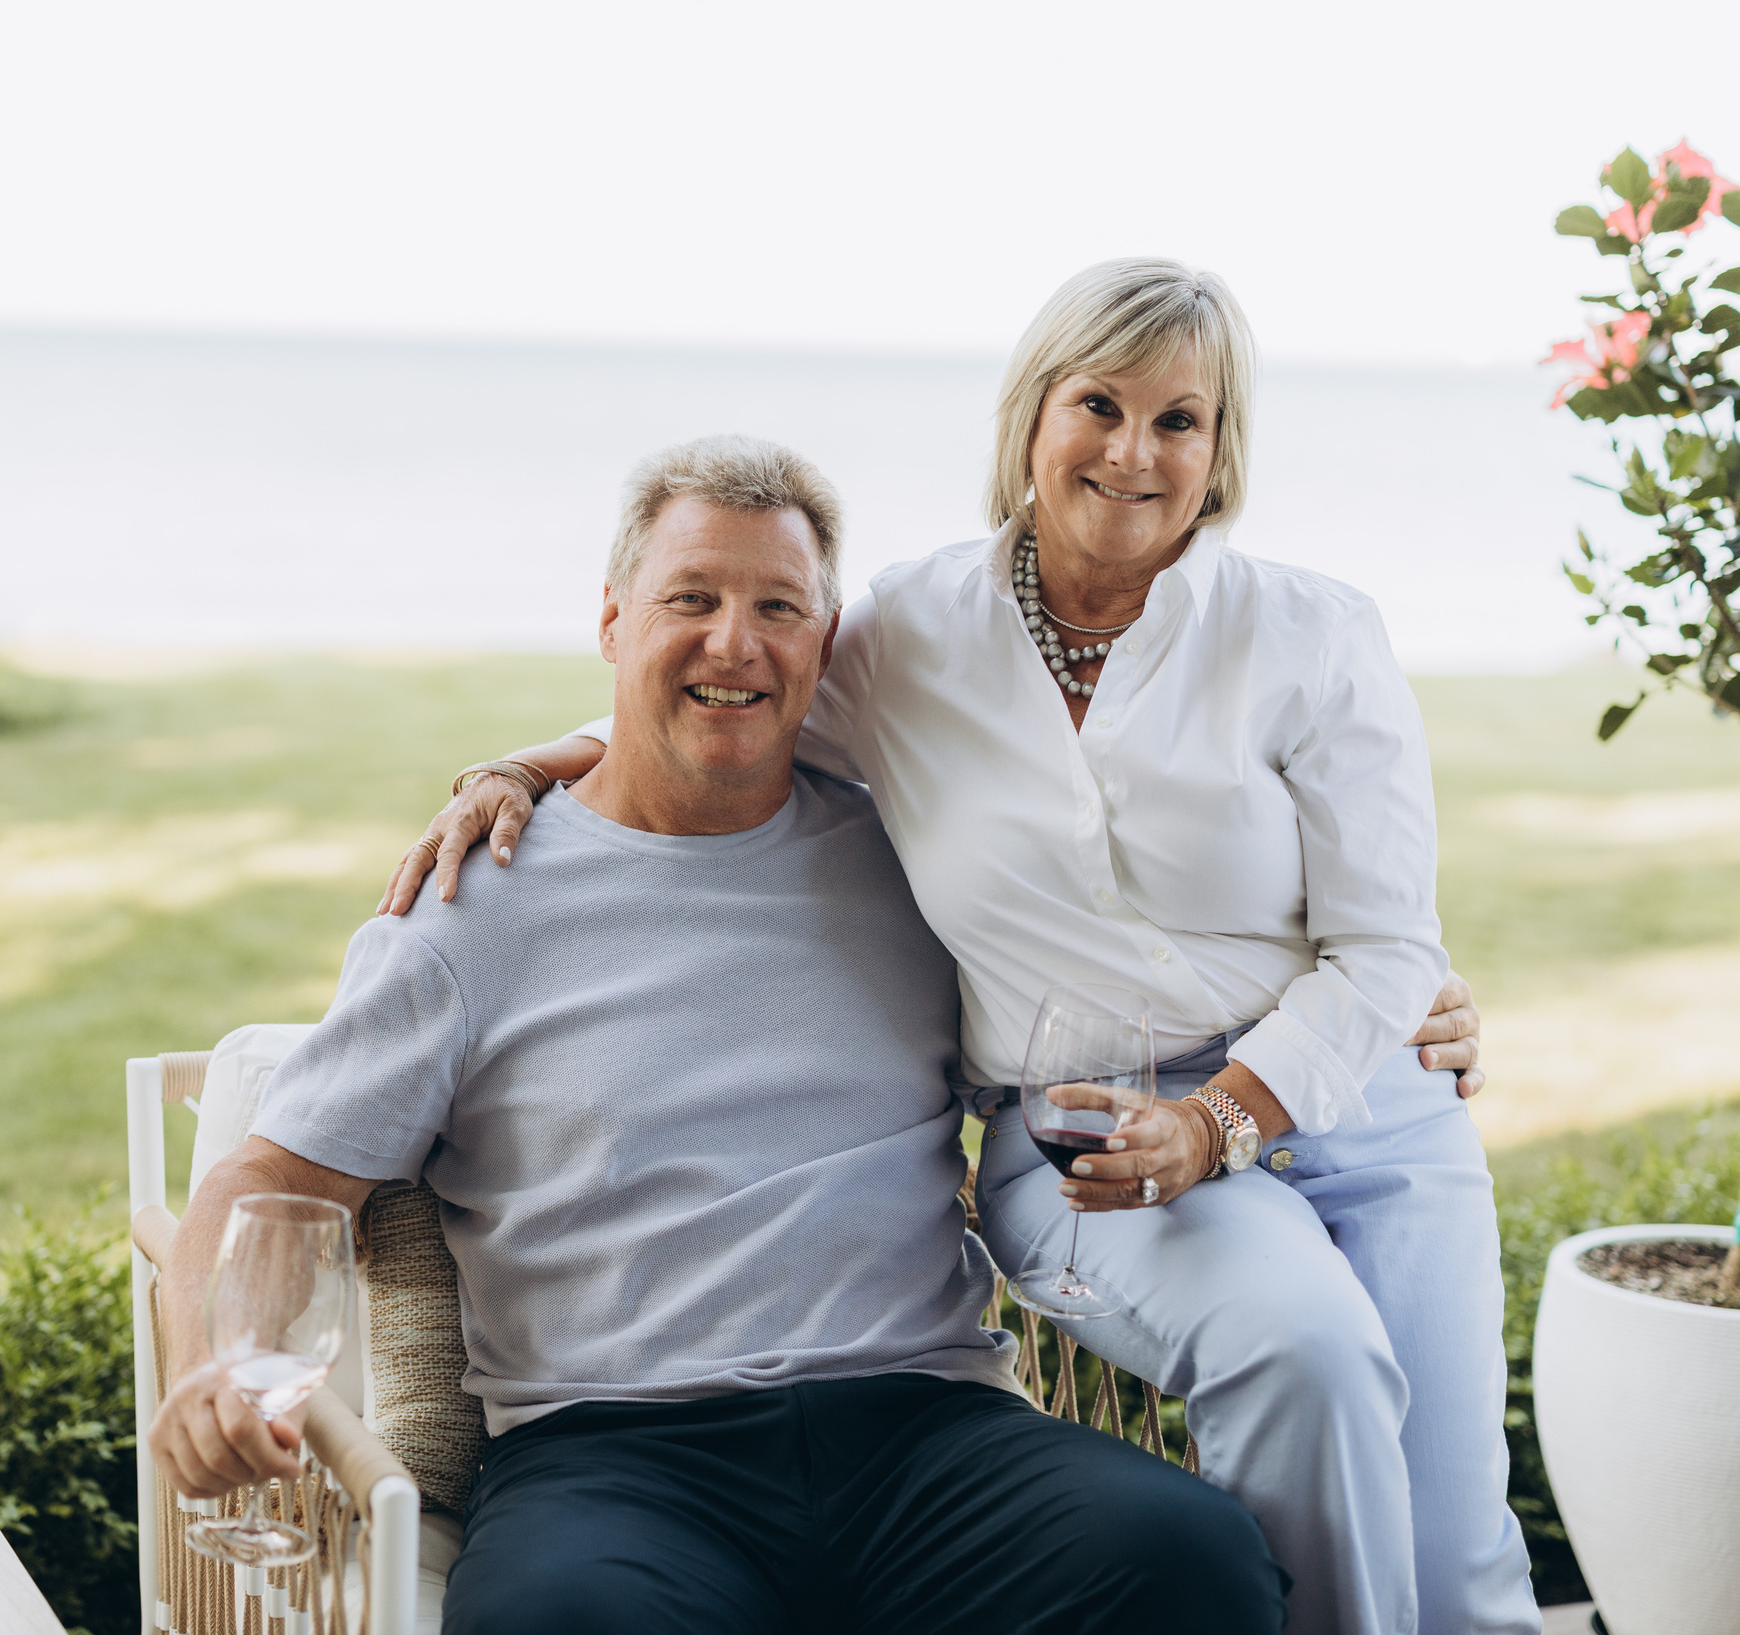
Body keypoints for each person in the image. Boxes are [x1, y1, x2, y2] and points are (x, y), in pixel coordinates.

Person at [385, 260, 1540, 1635]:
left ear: (1222, 449)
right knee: (1311, 1354)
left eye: (1181, 418)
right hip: (1098, 1138)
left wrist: (1241, 1107)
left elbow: (1385, 941)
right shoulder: (908, 638)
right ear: (1030, 418)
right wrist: (516, 764)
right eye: (1098, 403)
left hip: (1365, 1099)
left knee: (1465, 1558)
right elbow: (726, 699)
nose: (1133, 449)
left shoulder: (1314, 635)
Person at [147, 442, 1288, 1635]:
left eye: (777, 608)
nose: (734, 644)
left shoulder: (918, 862)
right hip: (616, 1457)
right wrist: (208, 1368)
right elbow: (272, 1176)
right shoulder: (469, 908)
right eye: (691, 599)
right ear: (612, 622)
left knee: (1192, 1561)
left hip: (925, 1430)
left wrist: (1373, 991)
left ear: (827, 640)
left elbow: (1146, 960)